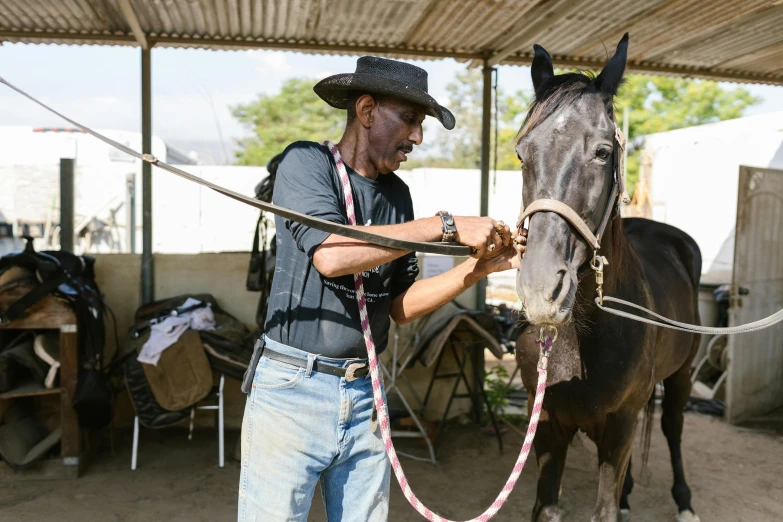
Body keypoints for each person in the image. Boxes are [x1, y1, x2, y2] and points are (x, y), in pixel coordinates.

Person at [238, 56, 526, 522]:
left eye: (421, 124)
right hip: (293, 390)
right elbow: (331, 257)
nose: (417, 137)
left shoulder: (397, 197)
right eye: (410, 120)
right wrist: (443, 226)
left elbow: (399, 308)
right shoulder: (306, 163)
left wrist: (476, 272)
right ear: (367, 111)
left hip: (363, 393)